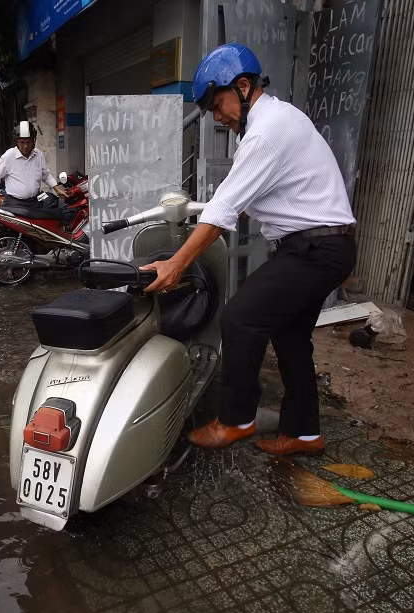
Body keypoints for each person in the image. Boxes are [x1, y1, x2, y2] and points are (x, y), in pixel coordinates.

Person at [142, 43, 357, 455]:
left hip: (315, 250)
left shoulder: (266, 131)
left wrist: (176, 262)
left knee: (240, 319)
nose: (217, 116)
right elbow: (245, 200)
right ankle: (304, 433)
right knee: (291, 337)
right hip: (324, 246)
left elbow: (224, 208)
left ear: (242, 86)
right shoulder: (276, 121)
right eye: (209, 110)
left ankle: (236, 420)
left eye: (218, 103)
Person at [0, 121, 68, 206]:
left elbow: (45, 175)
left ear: (33, 141)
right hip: (15, 203)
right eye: (22, 142)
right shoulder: (8, 156)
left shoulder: (38, 155)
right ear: (16, 141)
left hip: (35, 200)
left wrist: (57, 189)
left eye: (28, 142)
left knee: (53, 201)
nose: (26, 146)